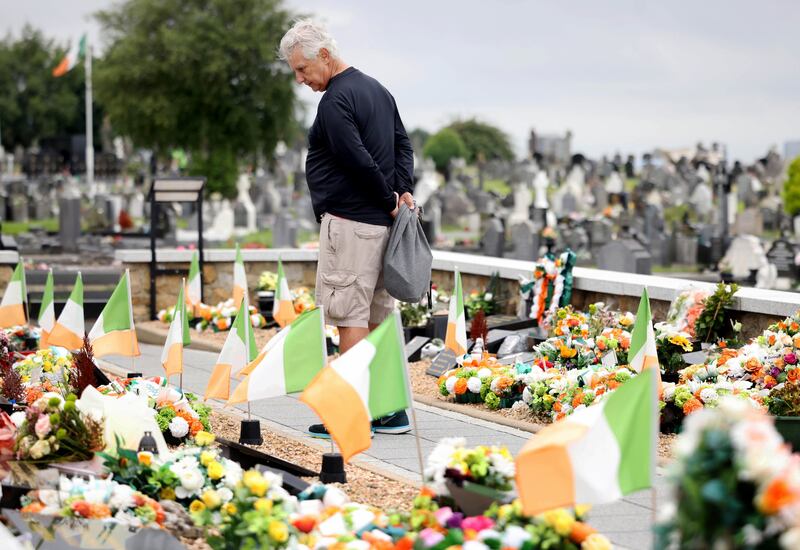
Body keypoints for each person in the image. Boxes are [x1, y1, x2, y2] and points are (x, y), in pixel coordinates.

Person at [279, 20, 415, 437]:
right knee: (378, 316)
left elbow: (357, 160)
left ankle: (346, 415)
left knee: (350, 318)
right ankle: (389, 410)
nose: (300, 80)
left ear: (324, 54)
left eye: (302, 69)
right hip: (380, 228)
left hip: (353, 225)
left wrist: (391, 200)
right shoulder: (377, 89)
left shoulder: (336, 100)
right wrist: (403, 192)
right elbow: (403, 145)